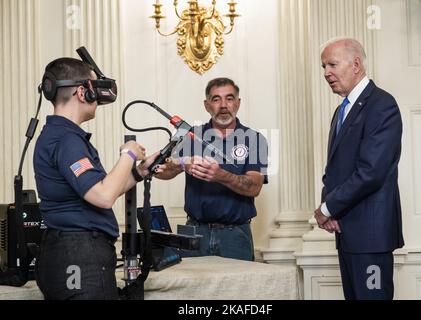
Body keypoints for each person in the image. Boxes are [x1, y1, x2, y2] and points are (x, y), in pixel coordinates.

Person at [33, 57, 157, 300]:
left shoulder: (59, 135)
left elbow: (97, 190)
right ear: (83, 92)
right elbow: (103, 197)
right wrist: (128, 153)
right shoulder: (67, 140)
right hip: (78, 254)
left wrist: (139, 172)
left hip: (71, 251)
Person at [315, 38, 404, 300]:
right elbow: (335, 170)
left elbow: (371, 173)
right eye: (323, 66)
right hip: (347, 234)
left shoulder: (382, 105)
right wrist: (330, 209)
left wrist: (327, 208)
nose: (326, 73)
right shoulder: (341, 110)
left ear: (356, 64)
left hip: (371, 238)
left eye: (332, 64)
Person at [156, 77, 268, 261]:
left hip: (235, 236)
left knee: (238, 289)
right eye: (216, 99)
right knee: (193, 289)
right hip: (195, 232)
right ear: (207, 105)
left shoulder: (254, 139)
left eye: (229, 98)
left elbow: (254, 187)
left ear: (238, 103)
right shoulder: (191, 135)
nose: (223, 105)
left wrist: (221, 176)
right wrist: (182, 163)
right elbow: (160, 170)